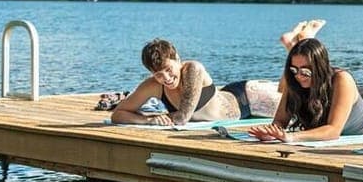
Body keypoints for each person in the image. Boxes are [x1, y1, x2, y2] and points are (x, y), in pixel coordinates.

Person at [247, 25, 363, 143]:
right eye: (294, 70)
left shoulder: (341, 78)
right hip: (360, 101)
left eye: (305, 71)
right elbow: (279, 121)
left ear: (319, 68)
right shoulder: (294, 80)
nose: (299, 76)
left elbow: (333, 131)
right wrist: (271, 132)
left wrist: (290, 137)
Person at [110, 38, 281, 126]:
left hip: (247, 98)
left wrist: (158, 117)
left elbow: (182, 117)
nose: (166, 79)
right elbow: (117, 114)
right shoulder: (153, 85)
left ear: (177, 59)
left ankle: (300, 40)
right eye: (159, 75)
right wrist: (147, 121)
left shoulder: (193, 69)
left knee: (300, 104)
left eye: (169, 70)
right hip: (225, 95)